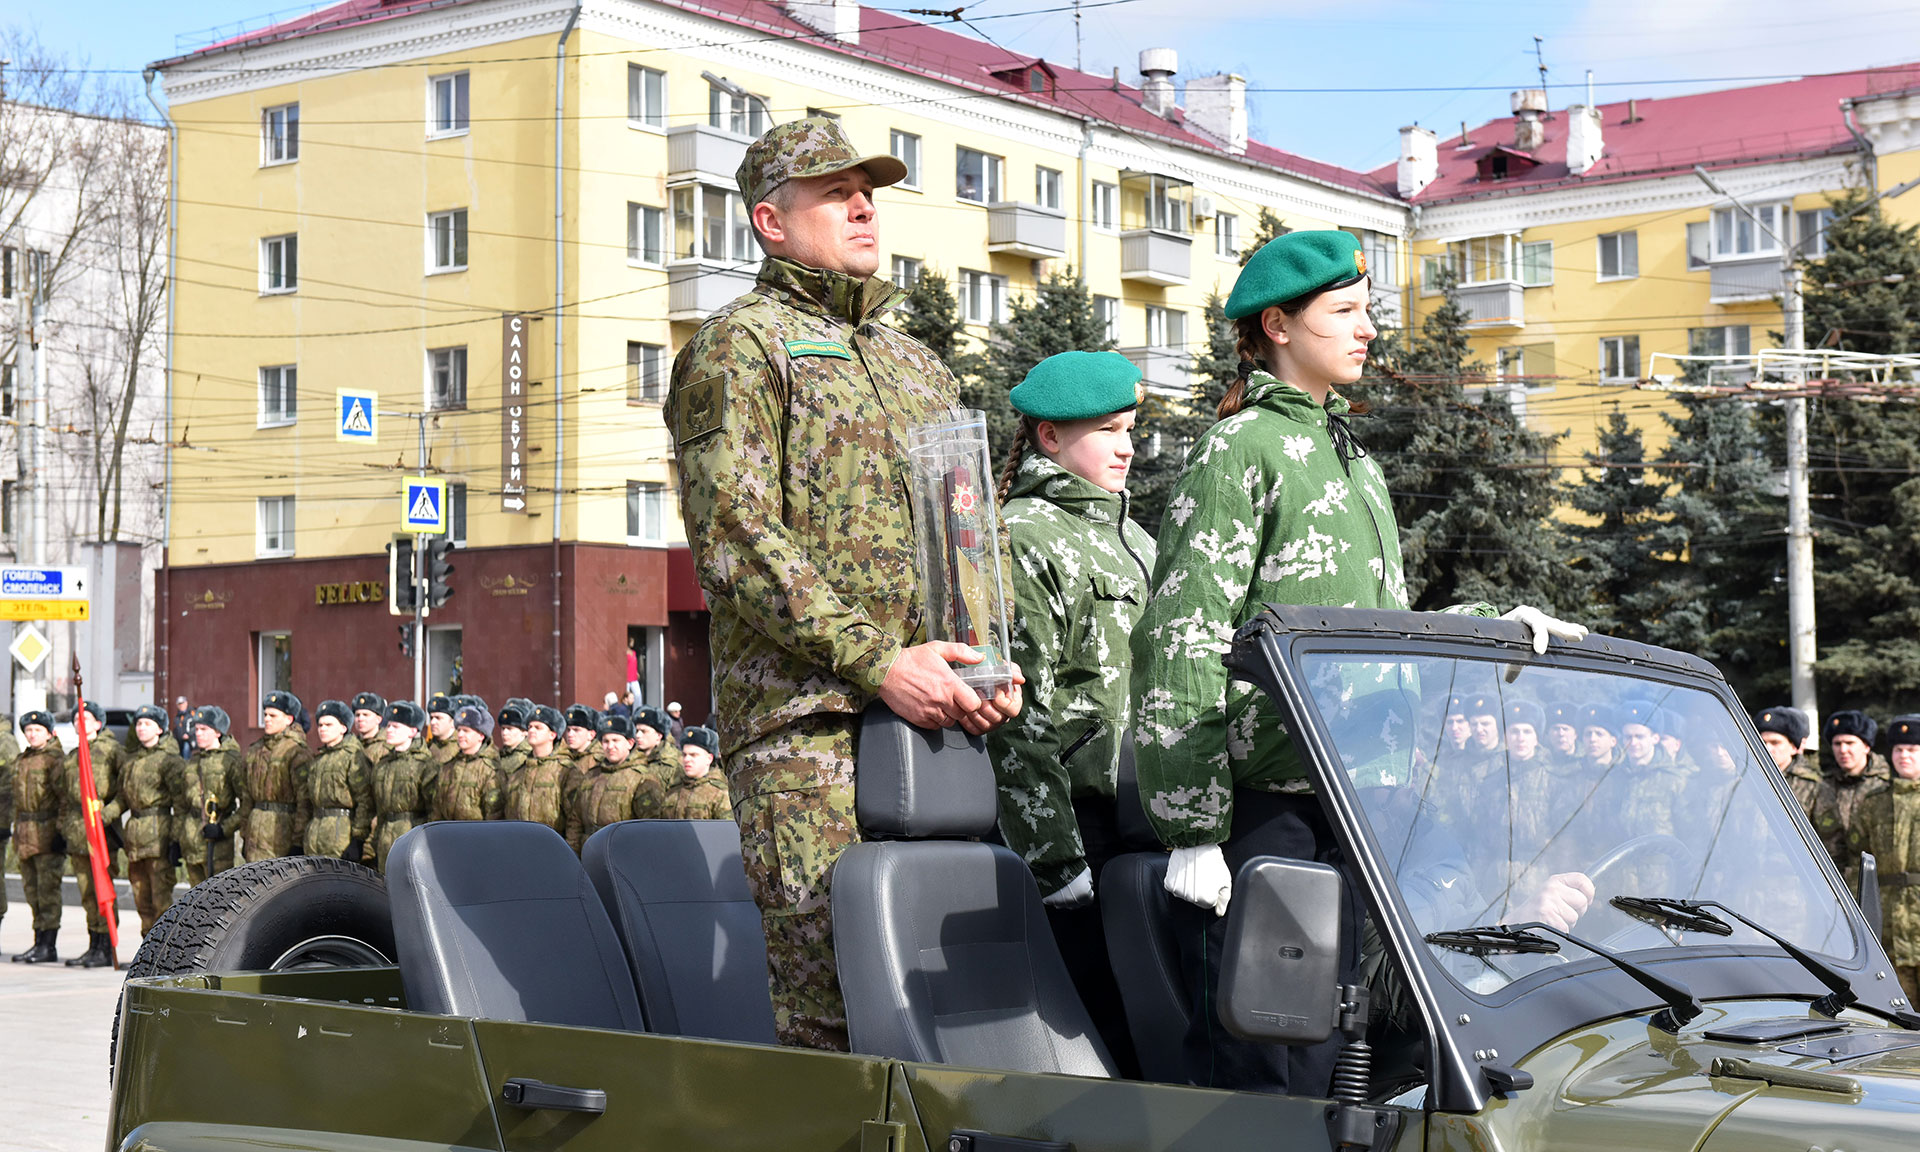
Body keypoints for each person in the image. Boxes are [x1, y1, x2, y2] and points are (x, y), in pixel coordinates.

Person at [1129, 229, 1586, 1095]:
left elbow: (1380, 633)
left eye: (1365, 310)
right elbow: (1183, 636)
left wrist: (1489, 624)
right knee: (1259, 1070)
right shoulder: (1241, 447)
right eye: (1343, 311)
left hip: (1355, 799)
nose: (1368, 328)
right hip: (1267, 803)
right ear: (1277, 326)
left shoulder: (1353, 462)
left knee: (1337, 1062)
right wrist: (1193, 827)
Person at [667, 116, 1019, 1050]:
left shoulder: (915, 362)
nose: (864, 207)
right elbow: (735, 535)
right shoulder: (739, 346)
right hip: (807, 723)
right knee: (835, 994)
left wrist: (989, 658)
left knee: (936, 993)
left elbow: (968, 526)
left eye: (869, 193)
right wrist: (879, 662)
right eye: (836, 193)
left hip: (935, 711)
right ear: (771, 221)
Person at [981, 348, 1154, 1078]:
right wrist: (1057, 863)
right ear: (1049, 437)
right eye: (1106, 430)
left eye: (1130, 430)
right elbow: (1020, 714)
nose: (1126, 447)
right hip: (1081, 830)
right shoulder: (1025, 535)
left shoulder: (1135, 538)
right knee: (1104, 1043)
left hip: (1146, 820)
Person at [1851, 714, 1920, 1003]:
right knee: (1899, 1008)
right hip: (1888, 925)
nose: (1904, 755)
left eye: (1912, 749)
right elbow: (1857, 860)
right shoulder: (1874, 801)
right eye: (1898, 749)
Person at [58, 701, 125, 968]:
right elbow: (65, 797)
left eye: (86, 718)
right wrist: (63, 827)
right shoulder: (73, 755)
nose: (79, 722)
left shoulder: (112, 751)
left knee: (103, 888)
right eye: (76, 719)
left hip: (101, 831)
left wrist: (106, 815)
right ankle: (94, 944)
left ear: (98, 722)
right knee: (87, 891)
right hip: (78, 831)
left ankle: (107, 946)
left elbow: (124, 792)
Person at [119, 706, 183, 936]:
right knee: (141, 899)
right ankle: (147, 948)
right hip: (135, 839)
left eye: (147, 724)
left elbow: (180, 803)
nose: (141, 728)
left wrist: (175, 840)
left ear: (160, 728)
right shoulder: (131, 761)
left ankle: (165, 950)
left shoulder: (169, 760)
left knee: (161, 901)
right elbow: (122, 798)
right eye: (139, 723)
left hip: (159, 837)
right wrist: (100, 816)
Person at [9, 712, 66, 963]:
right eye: (29, 730)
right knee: (32, 891)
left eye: (38, 730)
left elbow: (64, 799)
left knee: (47, 892)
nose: (32, 735)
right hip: (25, 834)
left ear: (49, 733)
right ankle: (38, 941)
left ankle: (48, 945)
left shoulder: (55, 760)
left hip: (46, 833)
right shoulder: (22, 760)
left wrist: (60, 832)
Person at [238, 690, 314, 863]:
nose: (267, 719)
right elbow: (246, 797)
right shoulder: (255, 750)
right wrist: (245, 833)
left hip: (282, 832)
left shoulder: (296, 751)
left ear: (289, 719)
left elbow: (304, 801)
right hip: (255, 832)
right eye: (265, 715)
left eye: (273, 715)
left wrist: (298, 842)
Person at [1754, 705, 1840, 856]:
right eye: (1762, 742)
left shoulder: (1814, 787)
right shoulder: (1748, 781)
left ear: (1794, 747)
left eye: (1775, 743)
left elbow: (1831, 845)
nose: (1767, 748)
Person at [572, 714, 665, 843]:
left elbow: (650, 827)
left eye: (615, 740)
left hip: (623, 848)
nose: (610, 746)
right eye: (606, 741)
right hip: (590, 848)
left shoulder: (642, 778)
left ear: (630, 743)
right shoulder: (591, 775)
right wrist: (573, 849)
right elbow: (575, 819)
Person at [367, 701, 436, 873]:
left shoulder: (425, 764)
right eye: (389, 725)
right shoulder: (383, 765)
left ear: (412, 731)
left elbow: (433, 809)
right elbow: (377, 809)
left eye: (396, 726)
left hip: (412, 838)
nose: (389, 730)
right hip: (384, 839)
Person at [178, 706, 243, 886]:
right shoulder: (193, 762)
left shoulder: (231, 761)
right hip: (192, 844)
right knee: (195, 899)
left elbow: (247, 804)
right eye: (197, 729)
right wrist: (178, 838)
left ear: (217, 732)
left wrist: (224, 829)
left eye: (204, 729)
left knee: (219, 897)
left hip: (217, 847)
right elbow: (182, 804)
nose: (198, 733)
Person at [303, 700, 373, 862]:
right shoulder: (318, 759)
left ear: (343, 728)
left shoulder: (353, 756)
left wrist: (358, 839)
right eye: (320, 725)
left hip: (341, 835)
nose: (323, 729)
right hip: (315, 835)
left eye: (328, 725)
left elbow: (365, 800)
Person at [1826, 709, 1890, 883]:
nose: (1843, 750)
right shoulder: (1823, 786)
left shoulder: (1885, 786)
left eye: (1850, 743)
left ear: (1866, 746)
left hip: (1875, 882)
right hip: (1832, 882)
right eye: (1837, 744)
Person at [504, 704, 570, 836]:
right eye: (530, 727)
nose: (532, 731)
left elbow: (574, 818)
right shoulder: (519, 771)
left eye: (538, 727)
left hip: (553, 842)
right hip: (520, 840)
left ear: (552, 734)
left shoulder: (565, 770)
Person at [433, 706, 504, 822]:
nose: (460, 735)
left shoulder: (489, 770)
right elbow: (436, 809)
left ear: (481, 735)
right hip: (447, 831)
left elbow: (494, 815)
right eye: (459, 730)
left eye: (466, 731)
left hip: (476, 832)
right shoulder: (448, 768)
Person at [659, 725, 732, 820]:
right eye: (684, 754)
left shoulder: (720, 794)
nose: (687, 759)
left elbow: (726, 828)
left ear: (709, 758)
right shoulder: (673, 790)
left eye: (693, 755)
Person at [631, 705, 683, 790]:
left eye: (644, 731)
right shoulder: (629, 759)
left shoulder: (674, 763)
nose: (638, 735)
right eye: (637, 731)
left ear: (659, 736)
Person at [351, 692, 390, 768]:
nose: (360, 719)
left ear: (378, 719)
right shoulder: (351, 745)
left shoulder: (388, 745)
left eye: (366, 715)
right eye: (357, 715)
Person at [424, 694, 459, 767]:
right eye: (431, 718)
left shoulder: (461, 746)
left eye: (438, 718)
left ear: (452, 722)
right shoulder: (427, 748)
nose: (433, 722)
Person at [625, 636, 641, 705]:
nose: (633, 643)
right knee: (626, 696)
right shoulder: (625, 653)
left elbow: (634, 663)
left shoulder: (634, 652)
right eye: (632, 641)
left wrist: (636, 672)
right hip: (627, 677)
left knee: (638, 695)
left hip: (634, 677)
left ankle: (637, 709)